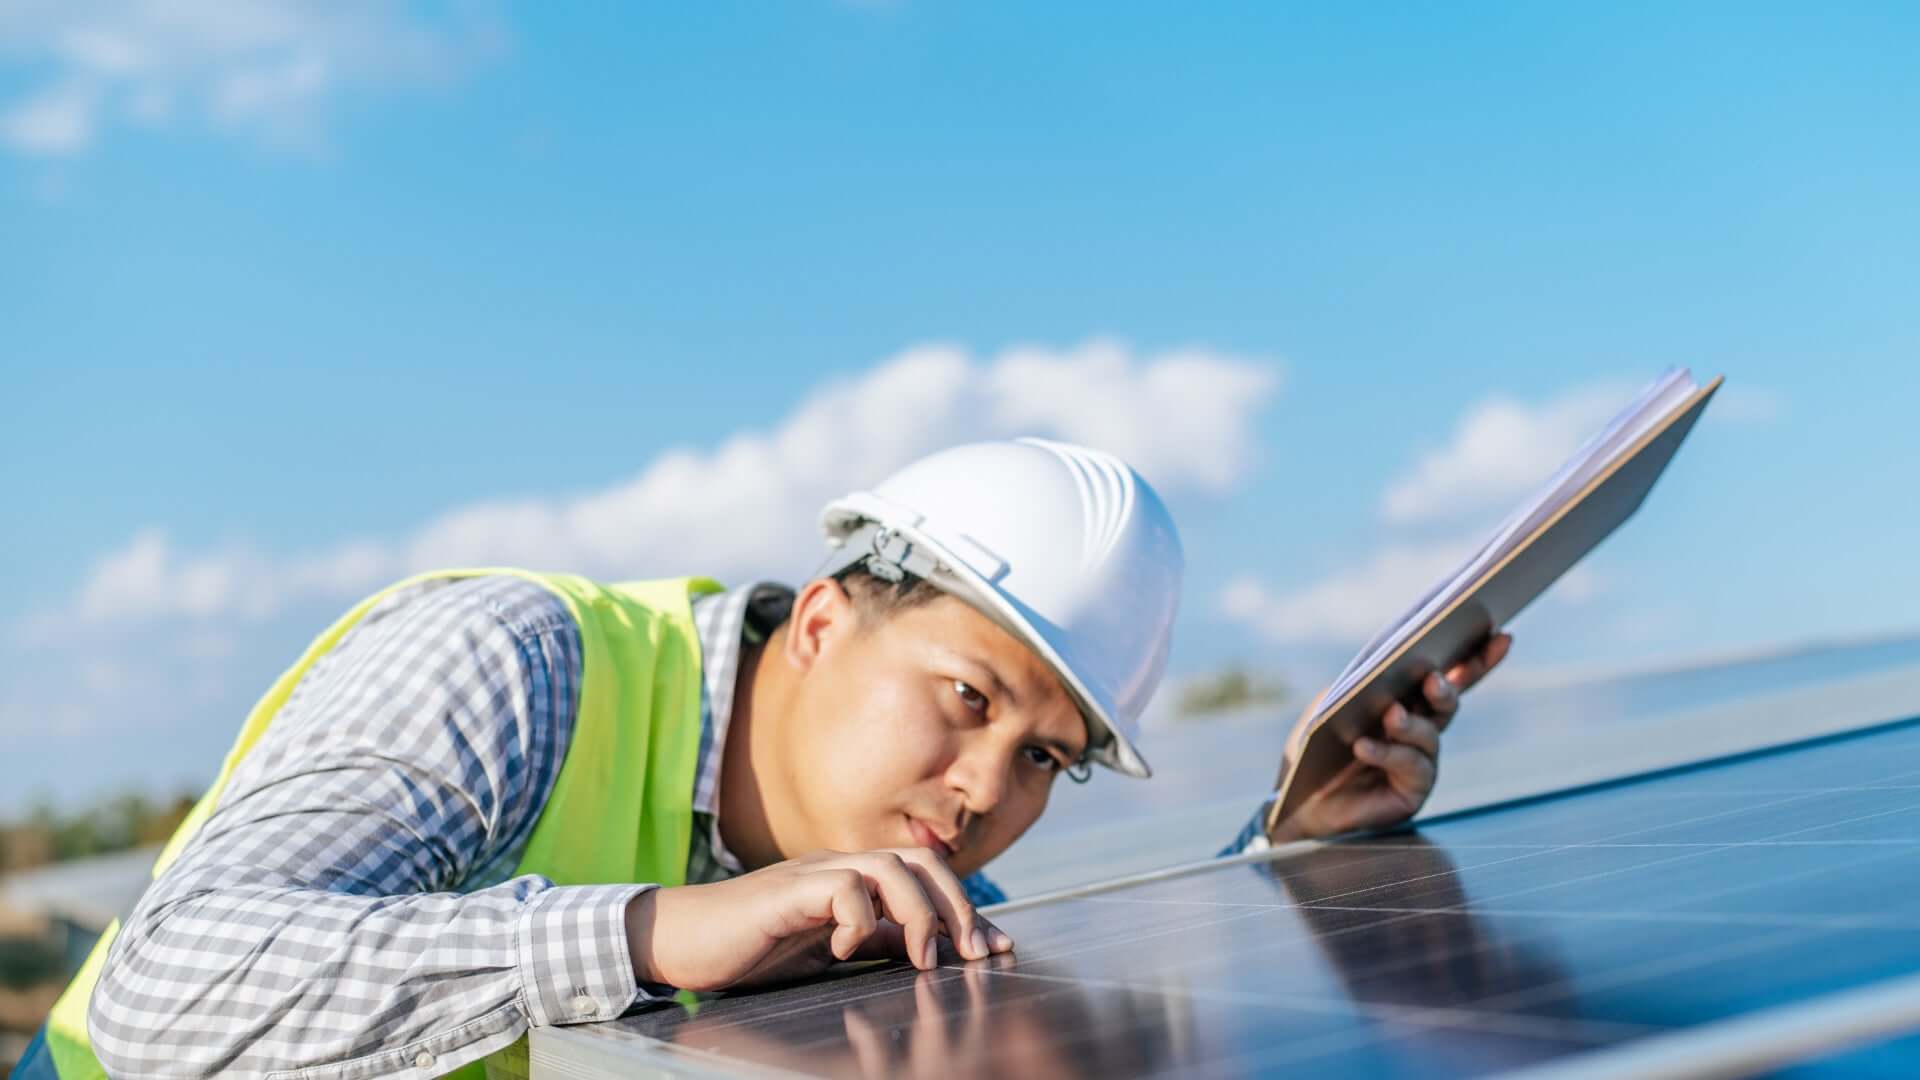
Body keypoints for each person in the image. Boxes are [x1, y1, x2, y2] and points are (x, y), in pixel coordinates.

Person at [21, 438, 1508, 1080]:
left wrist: (1295, 863)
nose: (989, 793)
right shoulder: (516, 660)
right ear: (820, 624)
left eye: (1049, 758)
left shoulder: (870, 884)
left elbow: (1115, 1003)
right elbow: (168, 1002)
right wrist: (657, 932)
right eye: (968, 697)